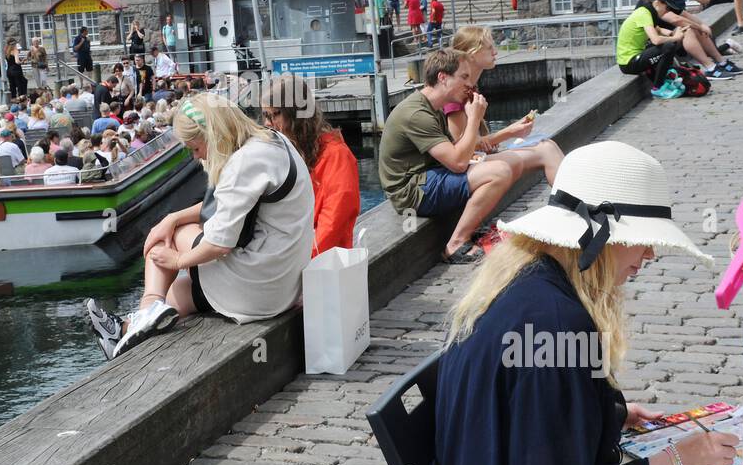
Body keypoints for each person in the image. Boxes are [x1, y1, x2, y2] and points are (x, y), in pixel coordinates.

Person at [432, 141, 735, 465]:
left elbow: (530, 418)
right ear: (604, 238)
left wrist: (598, 413)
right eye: (645, 240)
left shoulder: (524, 280)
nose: (650, 255)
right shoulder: (557, 325)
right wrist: (676, 462)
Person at [85, 93, 314, 359]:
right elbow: (227, 204)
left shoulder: (244, 163)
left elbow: (219, 244)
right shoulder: (271, 141)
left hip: (262, 288)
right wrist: (172, 217)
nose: (196, 157)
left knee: (168, 240)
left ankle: (146, 309)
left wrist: (178, 259)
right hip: (281, 284)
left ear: (211, 134)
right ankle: (127, 330)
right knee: (178, 291)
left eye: (195, 148)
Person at [378, 49, 516, 263]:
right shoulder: (417, 114)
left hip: (428, 176)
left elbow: (455, 150)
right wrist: (473, 119)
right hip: (411, 191)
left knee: (501, 164)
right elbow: (458, 163)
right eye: (463, 77)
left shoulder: (432, 107)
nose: (470, 84)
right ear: (443, 77)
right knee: (499, 172)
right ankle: (456, 244)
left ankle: (470, 229)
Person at [447, 25, 565, 184]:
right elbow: (464, 149)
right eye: (489, 48)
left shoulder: (471, 89)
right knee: (547, 150)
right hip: (467, 170)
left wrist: (510, 132)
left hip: (478, 161)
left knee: (547, 144)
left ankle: (572, 202)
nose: (495, 52)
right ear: (471, 55)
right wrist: (511, 131)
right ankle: (570, 204)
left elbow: (475, 142)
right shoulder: (455, 94)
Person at [260, 75, 360, 256]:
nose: (267, 123)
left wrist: (299, 261)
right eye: (265, 115)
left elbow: (333, 222)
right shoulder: (284, 150)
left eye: (274, 114)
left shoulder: (336, 156)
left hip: (319, 262)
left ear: (296, 115)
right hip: (287, 253)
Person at [616, 0, 690, 98]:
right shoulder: (644, 14)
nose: (667, 10)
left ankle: (665, 80)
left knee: (666, 46)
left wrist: (672, 33)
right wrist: (676, 37)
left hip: (633, 57)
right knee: (669, 46)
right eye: (667, 7)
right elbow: (656, 40)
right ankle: (658, 88)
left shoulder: (646, 11)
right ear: (657, 3)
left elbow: (658, 29)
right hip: (629, 62)